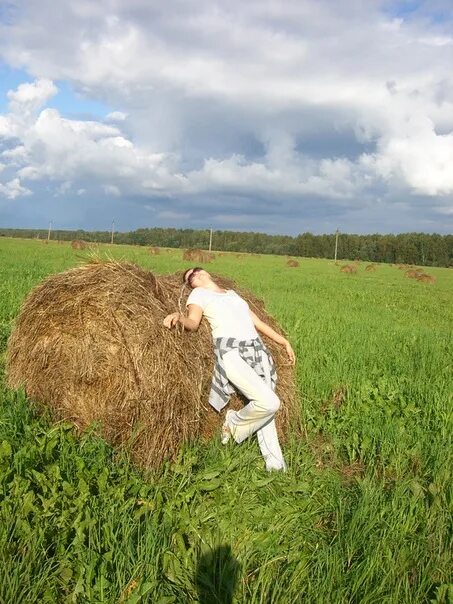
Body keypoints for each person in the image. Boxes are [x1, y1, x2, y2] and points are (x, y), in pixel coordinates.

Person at [163, 267, 296, 471]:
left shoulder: (233, 295)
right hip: (230, 351)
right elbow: (193, 322)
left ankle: (276, 466)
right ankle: (233, 422)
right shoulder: (199, 294)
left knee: (267, 407)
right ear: (191, 285)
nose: (195, 274)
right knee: (269, 402)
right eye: (190, 277)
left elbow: (258, 322)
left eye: (197, 270)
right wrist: (179, 317)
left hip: (256, 350)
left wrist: (283, 341)